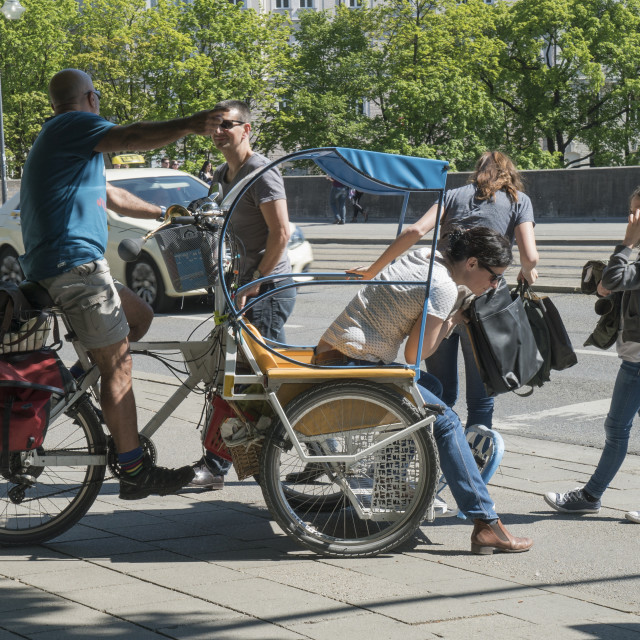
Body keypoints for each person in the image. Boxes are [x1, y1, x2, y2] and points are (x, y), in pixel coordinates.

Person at [19, 68, 221, 500]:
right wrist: (189, 123)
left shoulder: (70, 142)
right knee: (119, 367)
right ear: (90, 98)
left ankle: (74, 392)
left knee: (141, 316)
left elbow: (109, 194)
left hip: (66, 266)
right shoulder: (74, 125)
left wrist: (164, 212)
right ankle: (134, 469)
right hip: (73, 269)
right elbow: (133, 136)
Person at [314, 225, 533, 554]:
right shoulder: (443, 286)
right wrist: (453, 321)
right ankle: (486, 523)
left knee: (431, 386)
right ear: (472, 263)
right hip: (356, 366)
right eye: (494, 276)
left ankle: (390, 480)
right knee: (445, 421)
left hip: (338, 352)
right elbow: (415, 354)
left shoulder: (426, 255)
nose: (495, 285)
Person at [350, 150, 539, 428]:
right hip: (483, 301)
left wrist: (374, 269)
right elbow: (530, 257)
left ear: (477, 171)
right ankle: (473, 465)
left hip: (443, 289)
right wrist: (526, 270)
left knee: (440, 389)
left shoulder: (453, 195)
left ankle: (429, 454)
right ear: (510, 173)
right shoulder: (519, 201)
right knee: (482, 398)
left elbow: (415, 231)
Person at [189, 99, 296, 490]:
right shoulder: (222, 173)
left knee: (263, 381)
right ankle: (321, 447)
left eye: (227, 125)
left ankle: (216, 465)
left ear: (246, 129)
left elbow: (281, 233)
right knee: (240, 378)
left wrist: (256, 282)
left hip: (267, 290)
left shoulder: (261, 172)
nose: (218, 132)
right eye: (213, 125)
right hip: (241, 290)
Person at [545, 187, 640, 523]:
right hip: (634, 358)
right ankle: (590, 496)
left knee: (617, 428)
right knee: (617, 428)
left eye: (634, 213)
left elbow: (617, 276)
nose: (630, 220)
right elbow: (616, 283)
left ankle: (590, 496)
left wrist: (626, 244)